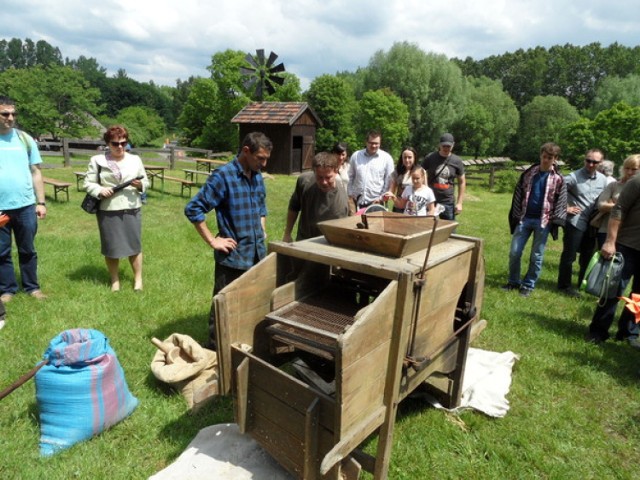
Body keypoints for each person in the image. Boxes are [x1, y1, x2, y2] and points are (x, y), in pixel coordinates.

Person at [184, 132, 272, 350]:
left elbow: (261, 206)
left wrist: (261, 228)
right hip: (232, 258)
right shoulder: (223, 176)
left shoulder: (257, 175)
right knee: (223, 307)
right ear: (246, 151)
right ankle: (215, 353)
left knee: (252, 304)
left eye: (266, 158)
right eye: (260, 158)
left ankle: (246, 345)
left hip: (257, 255)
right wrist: (214, 241)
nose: (264, 163)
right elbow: (193, 208)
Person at [83, 125, 149, 292]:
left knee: (134, 246)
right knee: (111, 247)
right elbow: (88, 183)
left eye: (123, 143)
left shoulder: (135, 159)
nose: (120, 147)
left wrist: (140, 184)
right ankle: (115, 281)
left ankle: (138, 281)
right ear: (107, 143)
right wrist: (99, 190)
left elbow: (146, 182)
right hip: (108, 208)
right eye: (115, 143)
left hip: (132, 207)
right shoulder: (97, 160)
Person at [502, 143, 567, 297]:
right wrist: (516, 215)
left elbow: (562, 201)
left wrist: (556, 220)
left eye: (549, 158)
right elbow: (518, 194)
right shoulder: (529, 173)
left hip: (543, 221)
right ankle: (513, 282)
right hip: (524, 218)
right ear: (540, 156)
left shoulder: (558, 179)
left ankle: (528, 285)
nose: (545, 160)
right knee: (514, 252)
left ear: (555, 159)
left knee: (536, 256)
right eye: (544, 156)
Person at [0, 95, 47, 302]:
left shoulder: (24, 139)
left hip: (26, 206)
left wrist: (41, 202)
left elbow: (36, 171)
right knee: (1, 252)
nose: (10, 117)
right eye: (5, 113)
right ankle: (7, 290)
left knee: (28, 249)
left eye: (13, 113)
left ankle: (32, 288)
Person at [586, 171, 640, 346]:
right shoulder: (637, 181)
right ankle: (598, 331)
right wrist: (610, 241)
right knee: (612, 290)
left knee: (639, 296)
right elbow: (619, 209)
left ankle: (628, 333)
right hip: (626, 245)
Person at [556, 149, 608, 297]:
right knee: (569, 256)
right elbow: (555, 191)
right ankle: (564, 286)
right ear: (584, 160)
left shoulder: (603, 180)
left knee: (587, 257)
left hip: (592, 225)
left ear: (600, 163)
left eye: (595, 162)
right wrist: (566, 207)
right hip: (575, 222)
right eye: (588, 160)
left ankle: (582, 285)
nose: (591, 164)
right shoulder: (573, 177)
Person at [283, 151, 349, 242]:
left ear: (336, 171)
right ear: (314, 172)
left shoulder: (342, 195)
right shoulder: (304, 181)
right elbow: (294, 206)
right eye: (320, 177)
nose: (324, 182)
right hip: (305, 240)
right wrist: (287, 234)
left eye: (328, 177)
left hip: (331, 242)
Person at [593, 155, 640, 248]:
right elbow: (601, 205)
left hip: (630, 236)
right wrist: (621, 206)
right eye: (627, 168)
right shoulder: (614, 185)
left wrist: (613, 204)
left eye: (634, 169)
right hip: (607, 230)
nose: (630, 172)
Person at [347, 130, 394, 214]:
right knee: (355, 226)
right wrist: (350, 193)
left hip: (376, 202)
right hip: (356, 202)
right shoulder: (356, 156)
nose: (374, 145)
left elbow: (389, 180)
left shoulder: (387, 158)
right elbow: (350, 176)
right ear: (366, 142)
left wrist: (381, 197)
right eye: (371, 143)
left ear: (380, 143)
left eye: (376, 143)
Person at [422, 133, 466, 220]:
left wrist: (460, 203)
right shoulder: (430, 157)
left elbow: (462, 182)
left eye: (448, 146)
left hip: (447, 201)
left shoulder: (457, 161)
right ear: (439, 145)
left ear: (453, 145)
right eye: (444, 146)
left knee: (449, 230)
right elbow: (420, 172)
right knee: (426, 228)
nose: (446, 148)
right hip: (431, 200)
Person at [388, 147, 418, 213]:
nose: (407, 160)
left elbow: (425, 190)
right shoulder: (397, 172)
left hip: (413, 208)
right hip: (398, 207)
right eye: (405, 157)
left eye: (409, 157)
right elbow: (391, 190)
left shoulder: (420, 171)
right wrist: (387, 195)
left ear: (414, 157)